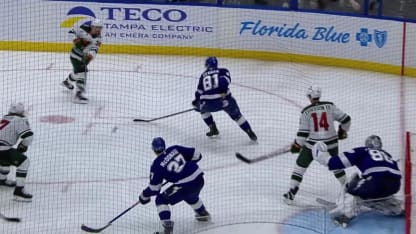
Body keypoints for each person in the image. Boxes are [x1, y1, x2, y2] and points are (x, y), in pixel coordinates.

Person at [312, 135, 403, 227]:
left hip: (375, 181)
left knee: (352, 184)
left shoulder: (363, 151)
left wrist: (322, 155)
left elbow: (335, 163)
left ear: (367, 144)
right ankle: (394, 207)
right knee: (377, 190)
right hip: (395, 184)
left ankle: (345, 216)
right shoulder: (387, 155)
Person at [283, 86, 351, 204]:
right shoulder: (330, 106)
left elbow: (303, 134)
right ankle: (349, 189)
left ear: (309, 97)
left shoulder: (306, 112)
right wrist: (342, 130)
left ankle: (292, 192)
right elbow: (346, 119)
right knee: (336, 166)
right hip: (331, 143)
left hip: (313, 145)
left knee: (300, 166)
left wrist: (297, 145)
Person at [138, 137, 211, 234]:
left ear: (153, 149)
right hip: (199, 178)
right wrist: (184, 167)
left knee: (161, 199)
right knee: (190, 195)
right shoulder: (174, 148)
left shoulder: (156, 165)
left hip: (185, 185)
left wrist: (144, 196)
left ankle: (167, 229)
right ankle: (202, 214)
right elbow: (198, 155)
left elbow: (154, 189)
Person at [192, 57, 257, 141]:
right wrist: (223, 92)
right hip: (223, 101)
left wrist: (196, 103)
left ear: (207, 65)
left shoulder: (203, 75)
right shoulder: (223, 71)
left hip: (207, 103)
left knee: (202, 110)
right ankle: (249, 131)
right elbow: (224, 82)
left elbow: (199, 92)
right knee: (237, 116)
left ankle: (213, 128)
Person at [61, 19, 103, 104]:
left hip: (85, 58)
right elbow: (71, 32)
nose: (98, 29)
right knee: (82, 72)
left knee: (77, 72)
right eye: (96, 27)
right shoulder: (82, 29)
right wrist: (76, 40)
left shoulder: (98, 39)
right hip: (75, 55)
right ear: (92, 26)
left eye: (100, 28)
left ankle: (66, 82)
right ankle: (78, 95)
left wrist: (90, 56)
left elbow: (95, 49)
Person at [0, 103, 33, 201]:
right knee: (24, 162)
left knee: (7, 156)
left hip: (3, 148)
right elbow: (29, 137)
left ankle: (1, 179)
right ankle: (19, 192)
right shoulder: (19, 120)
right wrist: (23, 146)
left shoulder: (5, 118)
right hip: (2, 149)